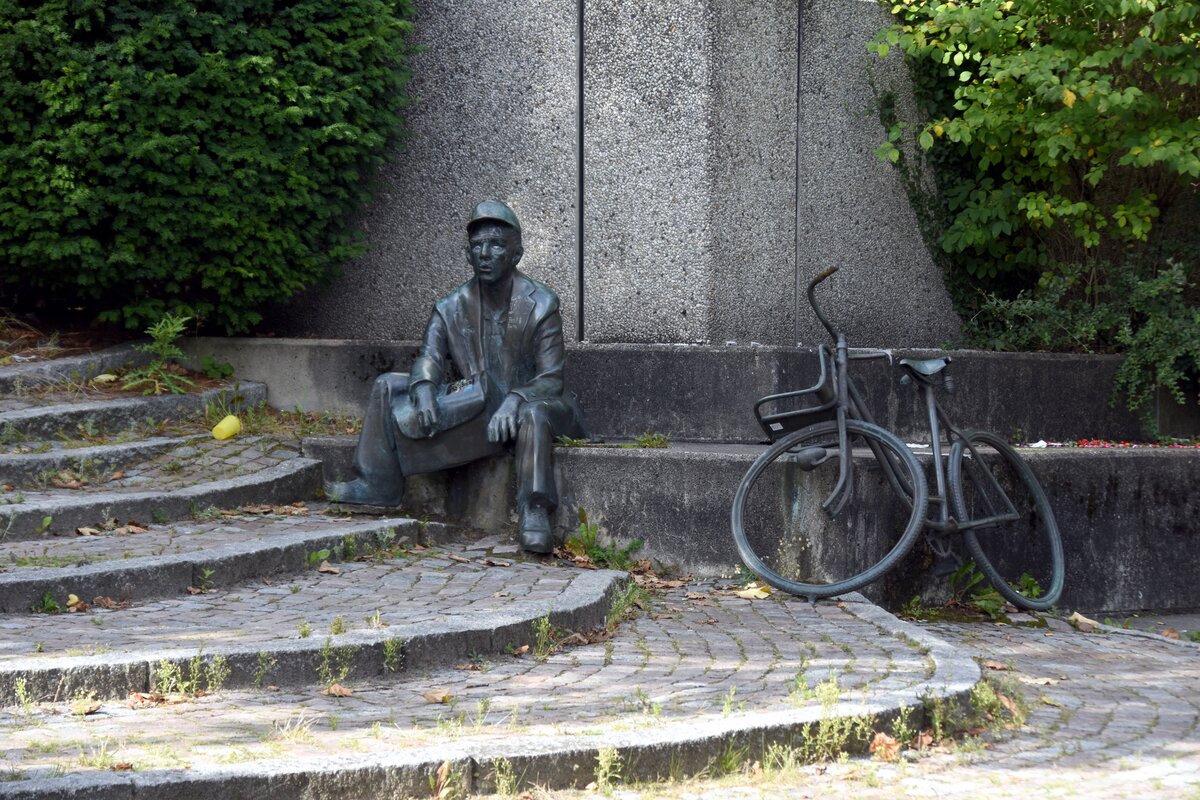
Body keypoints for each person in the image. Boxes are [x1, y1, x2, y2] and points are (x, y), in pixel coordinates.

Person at [326, 200, 588, 553]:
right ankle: (377, 483)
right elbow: (429, 356)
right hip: (482, 404)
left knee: (533, 414)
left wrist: (515, 399)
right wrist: (423, 387)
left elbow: (552, 378)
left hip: (537, 405)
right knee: (387, 385)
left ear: (516, 254)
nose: (485, 254)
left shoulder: (542, 303)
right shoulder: (450, 306)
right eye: (477, 246)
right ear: (467, 255)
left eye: (496, 245)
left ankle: (534, 510)